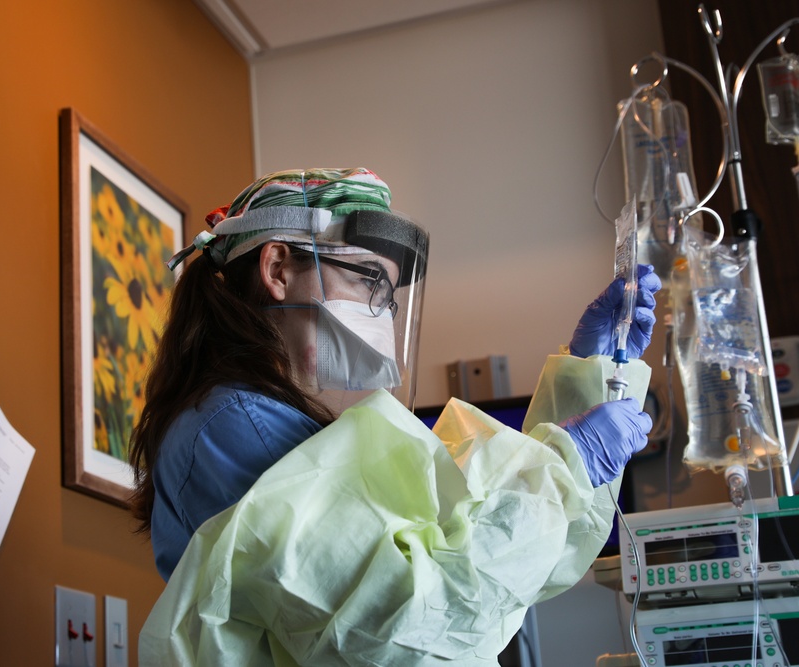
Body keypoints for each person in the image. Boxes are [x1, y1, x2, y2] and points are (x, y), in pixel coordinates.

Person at [130, 167, 661, 665]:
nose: (381, 311)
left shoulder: (275, 424)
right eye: (368, 279)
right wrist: (566, 462)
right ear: (277, 270)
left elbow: (499, 571)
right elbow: (407, 624)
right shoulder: (237, 428)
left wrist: (588, 381)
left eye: (390, 296)